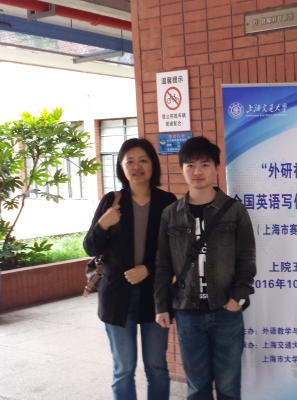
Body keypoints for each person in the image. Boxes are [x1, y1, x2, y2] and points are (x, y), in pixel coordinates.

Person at [154, 136, 256, 400]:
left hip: (226, 310)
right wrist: (161, 305)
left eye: (205, 164)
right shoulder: (170, 214)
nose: (197, 171)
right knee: (197, 388)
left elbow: (247, 260)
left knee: (228, 387)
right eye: (190, 165)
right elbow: (163, 264)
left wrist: (236, 299)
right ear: (182, 169)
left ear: (216, 168)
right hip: (187, 312)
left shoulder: (235, 211)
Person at [83, 138, 178, 400]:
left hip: (155, 296)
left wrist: (148, 269)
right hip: (117, 296)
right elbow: (90, 247)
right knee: (123, 368)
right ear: (121, 167)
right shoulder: (112, 201)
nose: (137, 167)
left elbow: (176, 250)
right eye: (130, 161)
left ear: (153, 165)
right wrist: (103, 224)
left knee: (157, 368)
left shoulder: (167, 202)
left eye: (143, 160)